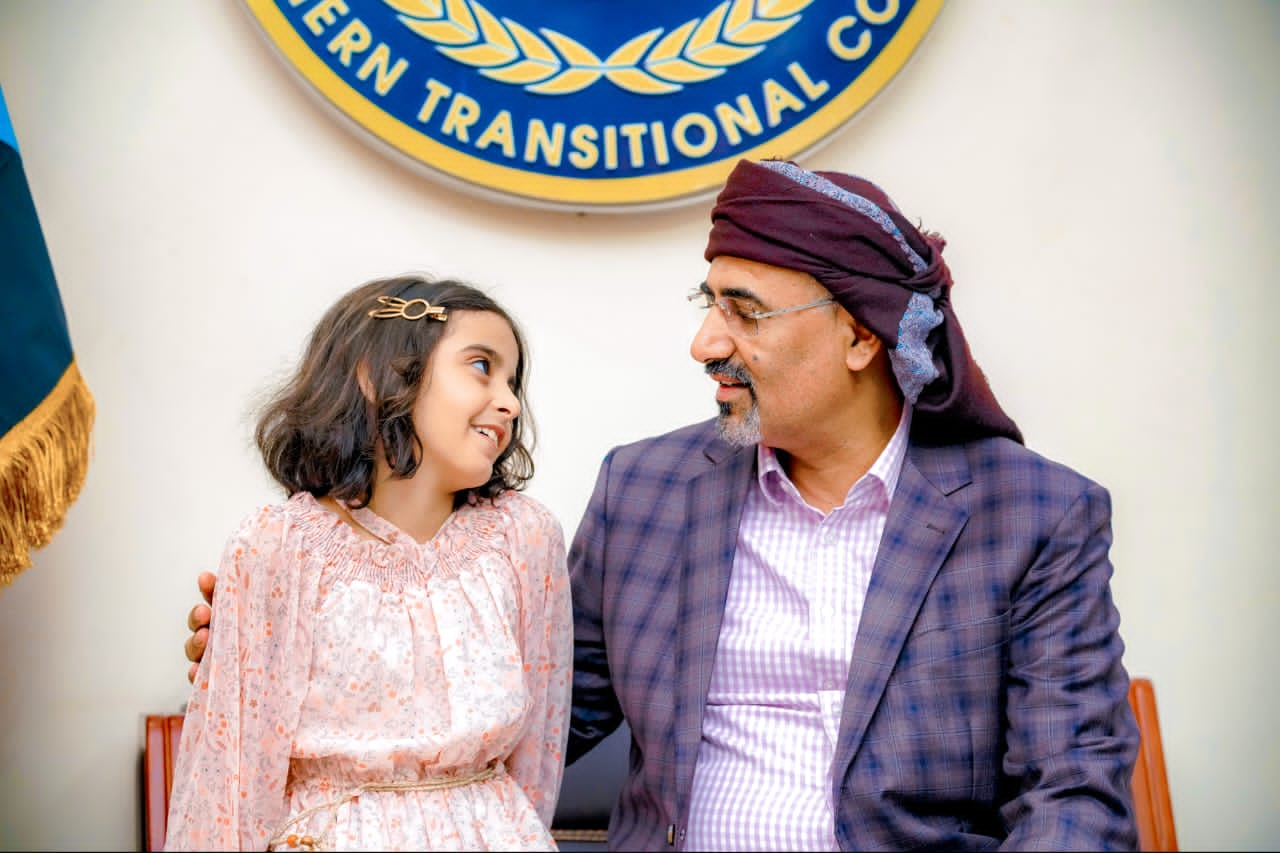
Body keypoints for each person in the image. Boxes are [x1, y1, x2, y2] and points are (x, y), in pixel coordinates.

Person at [185, 160, 1140, 851]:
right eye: (706, 302)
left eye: (744, 311)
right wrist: (311, 641)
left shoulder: (1033, 517)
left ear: (861, 335)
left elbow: (1073, 793)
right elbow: (531, 698)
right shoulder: (647, 491)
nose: (704, 343)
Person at [166, 274, 572, 852]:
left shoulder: (525, 538)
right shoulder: (278, 545)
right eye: (482, 366)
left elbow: (540, 754)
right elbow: (229, 782)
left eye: (513, 381)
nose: (509, 402)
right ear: (378, 376)